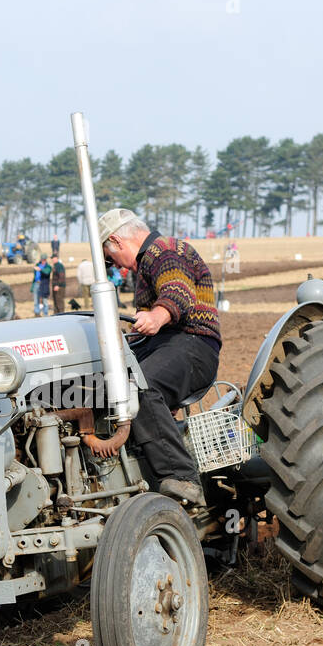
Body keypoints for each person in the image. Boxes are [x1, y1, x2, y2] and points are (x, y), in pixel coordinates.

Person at [96, 208, 220, 507]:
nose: (115, 266)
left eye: (109, 258)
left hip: (193, 343)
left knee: (141, 385)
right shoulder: (146, 263)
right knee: (100, 387)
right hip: (164, 344)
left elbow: (178, 291)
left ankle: (183, 478)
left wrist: (157, 315)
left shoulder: (165, 250)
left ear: (117, 241)